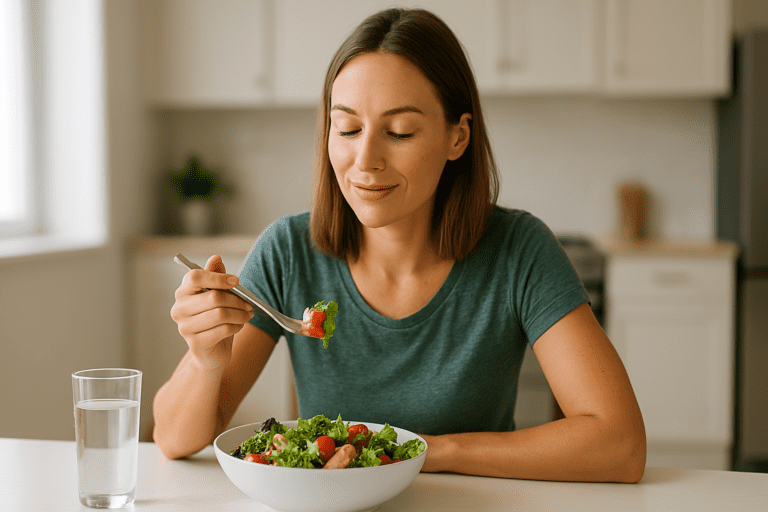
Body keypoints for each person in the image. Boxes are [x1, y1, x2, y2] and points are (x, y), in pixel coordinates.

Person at [154, 7, 646, 483]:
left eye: (399, 131)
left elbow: (619, 444)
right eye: (347, 128)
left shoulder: (519, 250)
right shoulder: (288, 251)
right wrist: (205, 360)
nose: (365, 160)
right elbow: (174, 438)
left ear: (458, 138)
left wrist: (425, 451)